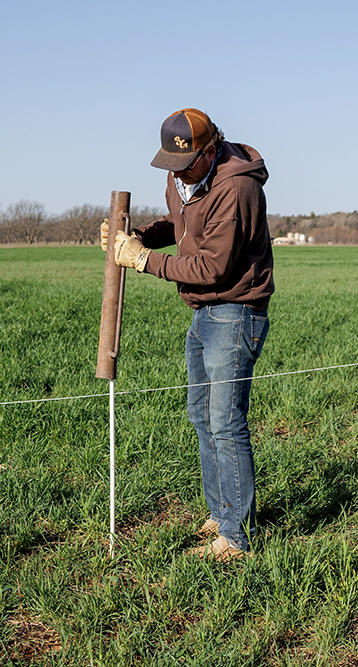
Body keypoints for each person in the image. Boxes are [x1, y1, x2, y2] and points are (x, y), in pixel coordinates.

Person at [100, 108, 273, 560]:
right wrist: (137, 236)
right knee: (202, 415)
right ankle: (223, 513)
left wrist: (141, 260)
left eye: (185, 164)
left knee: (226, 423)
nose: (176, 173)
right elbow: (178, 226)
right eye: (171, 165)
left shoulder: (237, 188)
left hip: (235, 312)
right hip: (203, 313)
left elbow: (212, 265)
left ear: (210, 150)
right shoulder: (185, 179)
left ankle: (238, 538)